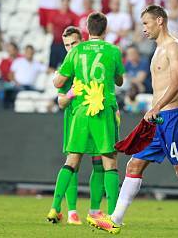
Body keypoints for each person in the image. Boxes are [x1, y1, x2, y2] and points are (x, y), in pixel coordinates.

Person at [99, 5, 178, 236]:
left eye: (146, 23)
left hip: (171, 118)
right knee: (134, 164)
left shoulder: (174, 46)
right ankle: (115, 220)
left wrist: (173, 109)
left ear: (160, 21)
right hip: (158, 119)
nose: (144, 29)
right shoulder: (158, 50)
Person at [49, 12, 124, 227]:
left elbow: (59, 82)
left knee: (72, 160)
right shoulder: (113, 51)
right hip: (102, 109)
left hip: (80, 112)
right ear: (105, 29)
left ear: (87, 29)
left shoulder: (76, 51)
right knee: (109, 162)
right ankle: (112, 215)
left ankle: (55, 206)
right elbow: (119, 80)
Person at [50, 26, 107, 225]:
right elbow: (60, 101)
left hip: (97, 115)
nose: (70, 48)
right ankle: (72, 211)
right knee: (73, 163)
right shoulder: (67, 67)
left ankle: (95, 210)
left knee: (98, 162)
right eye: (67, 45)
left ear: (82, 41)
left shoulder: (90, 63)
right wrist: (70, 94)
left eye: (74, 43)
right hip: (75, 119)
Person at [48, 0, 80, 70]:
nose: (65, 5)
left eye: (67, 3)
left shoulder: (73, 15)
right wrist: (54, 33)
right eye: (64, 3)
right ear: (61, 2)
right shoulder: (54, 13)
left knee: (64, 66)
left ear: (69, 3)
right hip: (55, 42)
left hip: (65, 45)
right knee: (52, 66)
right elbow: (49, 25)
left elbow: (75, 31)